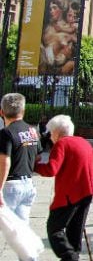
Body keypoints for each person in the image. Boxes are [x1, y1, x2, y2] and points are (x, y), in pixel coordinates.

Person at [34, 115, 93, 261]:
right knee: (75, 230)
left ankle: (70, 257)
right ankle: (74, 255)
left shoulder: (61, 144)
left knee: (54, 229)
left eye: (51, 133)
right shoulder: (83, 141)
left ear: (57, 132)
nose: (50, 136)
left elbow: (51, 169)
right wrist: (86, 177)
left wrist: (34, 166)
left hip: (69, 195)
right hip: (87, 192)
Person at [0, 93, 41, 226]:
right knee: (21, 229)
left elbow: (4, 161)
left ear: (2, 112)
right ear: (23, 111)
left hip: (10, 186)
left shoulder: (6, 133)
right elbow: (38, 156)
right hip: (28, 184)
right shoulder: (32, 130)